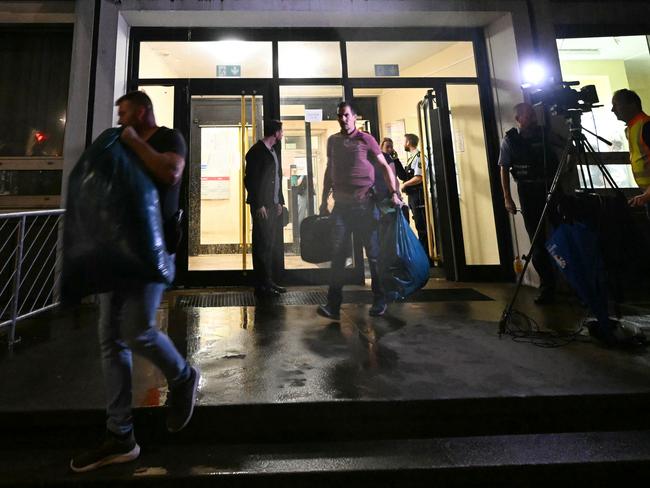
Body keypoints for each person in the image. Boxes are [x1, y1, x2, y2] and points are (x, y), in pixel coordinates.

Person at [70, 91, 199, 473]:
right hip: (116, 253)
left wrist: (131, 141)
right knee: (110, 339)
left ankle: (183, 376)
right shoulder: (119, 141)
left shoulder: (167, 138)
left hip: (151, 253)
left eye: (124, 112)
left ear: (142, 110)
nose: (120, 119)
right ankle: (120, 434)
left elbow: (170, 172)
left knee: (138, 329)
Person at [317, 102, 402, 320]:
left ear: (355, 117)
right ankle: (333, 305)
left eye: (346, 115)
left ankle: (380, 299)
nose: (342, 119)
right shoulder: (333, 141)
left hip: (365, 205)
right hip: (341, 208)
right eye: (339, 116)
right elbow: (330, 169)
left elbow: (384, 166)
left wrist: (394, 192)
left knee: (373, 256)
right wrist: (324, 197)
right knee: (338, 255)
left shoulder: (366, 139)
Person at [498, 102, 559, 305]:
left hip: (550, 188)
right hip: (528, 190)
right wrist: (507, 197)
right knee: (537, 241)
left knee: (561, 235)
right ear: (518, 119)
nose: (532, 118)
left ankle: (575, 282)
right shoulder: (510, 140)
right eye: (528, 115)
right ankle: (548, 285)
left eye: (533, 114)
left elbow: (566, 147)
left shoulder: (545, 134)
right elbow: (504, 169)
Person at [244, 119, 286, 297]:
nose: (282, 135)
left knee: (269, 244)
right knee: (262, 244)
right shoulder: (256, 152)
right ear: (275, 133)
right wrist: (258, 203)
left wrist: (279, 201)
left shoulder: (273, 151)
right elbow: (251, 180)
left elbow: (277, 177)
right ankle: (261, 284)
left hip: (272, 204)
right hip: (263, 206)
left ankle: (268, 281)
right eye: (281, 131)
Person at [611, 89, 650, 219]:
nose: (613, 110)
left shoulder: (646, 126)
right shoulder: (631, 129)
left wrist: (647, 194)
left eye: (616, 104)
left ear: (632, 104)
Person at [400, 133, 430, 256]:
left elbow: (419, 178)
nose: (403, 144)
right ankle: (423, 253)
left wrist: (405, 184)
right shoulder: (411, 158)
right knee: (418, 224)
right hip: (413, 196)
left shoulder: (419, 156)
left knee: (422, 226)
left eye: (404, 141)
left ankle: (426, 255)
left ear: (408, 142)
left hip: (418, 195)